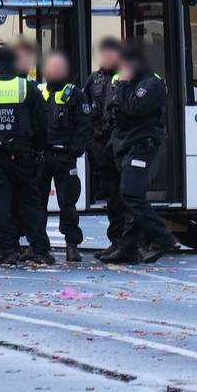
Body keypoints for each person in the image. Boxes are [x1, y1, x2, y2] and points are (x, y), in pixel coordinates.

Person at [0, 45, 52, 265]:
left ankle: (7, 250)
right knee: (30, 202)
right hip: (23, 152)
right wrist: (38, 148)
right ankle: (40, 249)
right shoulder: (27, 87)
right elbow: (42, 122)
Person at [100, 41, 178, 265]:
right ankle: (129, 247)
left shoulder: (150, 84)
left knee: (132, 194)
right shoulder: (127, 83)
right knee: (127, 196)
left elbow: (135, 107)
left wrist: (124, 85)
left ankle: (162, 238)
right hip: (124, 145)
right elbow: (114, 108)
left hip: (141, 146)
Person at [37, 51, 91, 263]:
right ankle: (38, 246)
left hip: (64, 157)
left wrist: (73, 151)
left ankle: (71, 245)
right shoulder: (39, 91)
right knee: (37, 203)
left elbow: (84, 126)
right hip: (41, 157)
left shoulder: (75, 94)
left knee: (67, 203)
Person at [84, 38, 128, 261]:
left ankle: (131, 244)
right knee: (112, 199)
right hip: (101, 146)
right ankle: (117, 242)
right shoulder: (94, 79)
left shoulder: (127, 77)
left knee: (127, 197)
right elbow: (84, 110)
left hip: (121, 144)